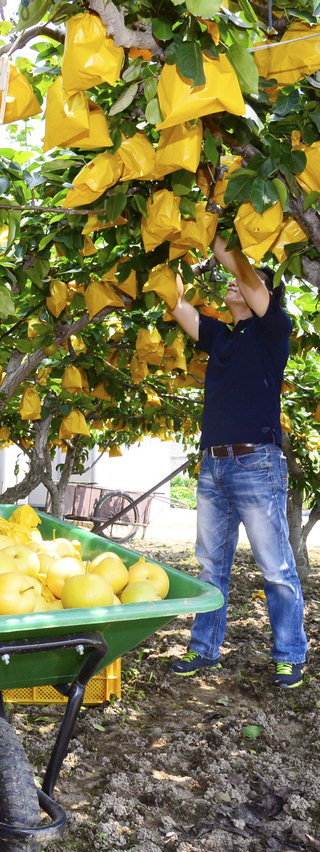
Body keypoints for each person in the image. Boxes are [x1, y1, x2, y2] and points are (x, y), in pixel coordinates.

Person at [168, 233, 308, 689]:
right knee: (211, 566)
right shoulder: (223, 337)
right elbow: (179, 308)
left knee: (276, 568)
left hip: (256, 463)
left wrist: (219, 232)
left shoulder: (274, 330)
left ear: (261, 295)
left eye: (245, 285)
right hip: (214, 465)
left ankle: (290, 655)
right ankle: (204, 650)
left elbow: (244, 273)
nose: (233, 286)